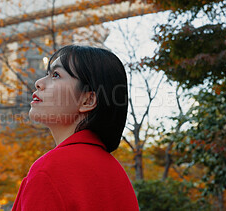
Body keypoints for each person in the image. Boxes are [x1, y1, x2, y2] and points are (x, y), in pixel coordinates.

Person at [12, 45, 139, 211]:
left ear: (88, 100)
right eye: (47, 74)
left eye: (56, 75)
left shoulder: (50, 170)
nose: (38, 83)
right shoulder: (117, 175)